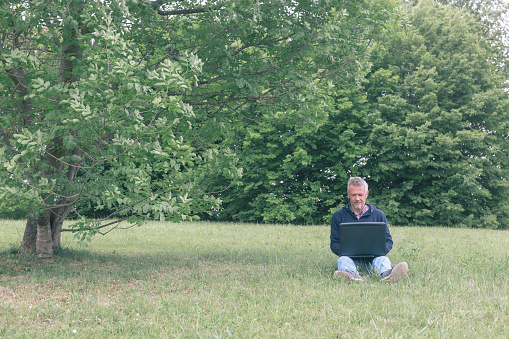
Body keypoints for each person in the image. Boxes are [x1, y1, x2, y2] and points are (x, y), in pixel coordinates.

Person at [330, 177, 408, 282]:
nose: (357, 198)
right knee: (342, 260)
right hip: (351, 260)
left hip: (373, 260)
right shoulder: (338, 216)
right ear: (348, 194)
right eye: (353, 195)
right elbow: (334, 243)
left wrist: (380, 251)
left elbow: (388, 240)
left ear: (366, 194)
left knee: (383, 259)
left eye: (360, 195)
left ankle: (388, 275)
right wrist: (345, 251)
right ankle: (352, 276)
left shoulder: (378, 215)